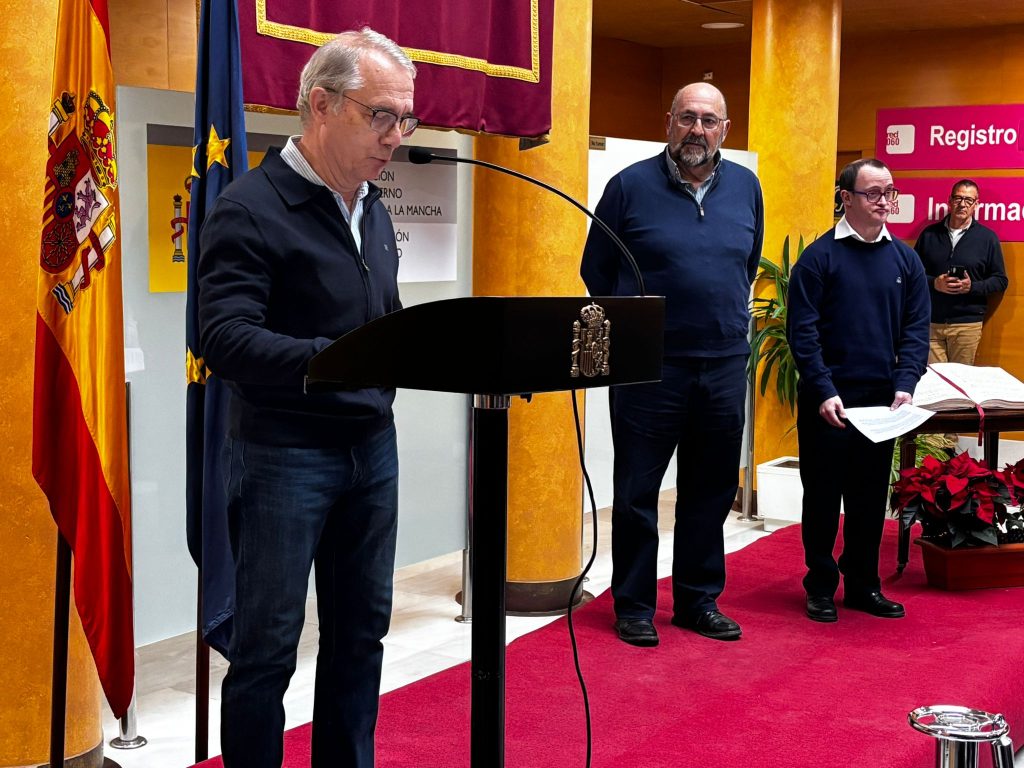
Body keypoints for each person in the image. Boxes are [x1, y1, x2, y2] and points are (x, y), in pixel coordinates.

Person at [197, 28, 417, 767]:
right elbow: (224, 338)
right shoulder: (249, 207)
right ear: (321, 105)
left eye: (404, 118)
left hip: (371, 450)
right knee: (265, 651)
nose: (396, 136)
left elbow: (379, 320)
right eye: (380, 115)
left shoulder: (372, 208)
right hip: (283, 456)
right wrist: (340, 361)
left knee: (361, 635)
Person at [580, 83, 764, 647]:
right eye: (688, 118)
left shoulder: (747, 187)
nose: (697, 130)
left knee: (710, 489)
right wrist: (638, 330)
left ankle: (697, 601)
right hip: (649, 368)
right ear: (669, 122)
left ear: (725, 130)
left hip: (723, 362)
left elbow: (747, 264)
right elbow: (596, 269)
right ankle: (634, 605)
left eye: (709, 120)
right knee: (637, 491)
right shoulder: (628, 186)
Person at [788, 158, 930, 624]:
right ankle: (820, 586)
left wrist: (906, 385)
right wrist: (823, 389)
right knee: (823, 497)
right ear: (846, 198)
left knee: (869, 499)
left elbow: (916, 329)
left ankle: (864, 585)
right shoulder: (819, 258)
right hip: (828, 401)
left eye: (889, 192)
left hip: (882, 402)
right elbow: (802, 332)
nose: (884, 201)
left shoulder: (905, 260)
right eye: (873, 193)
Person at [914, 179, 1008, 364]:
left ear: (976, 204)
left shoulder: (987, 238)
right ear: (949, 201)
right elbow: (913, 276)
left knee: (961, 380)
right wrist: (935, 283)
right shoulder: (929, 234)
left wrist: (971, 287)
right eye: (958, 198)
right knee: (934, 378)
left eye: (969, 200)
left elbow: (1000, 280)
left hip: (967, 325)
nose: (962, 204)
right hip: (931, 322)